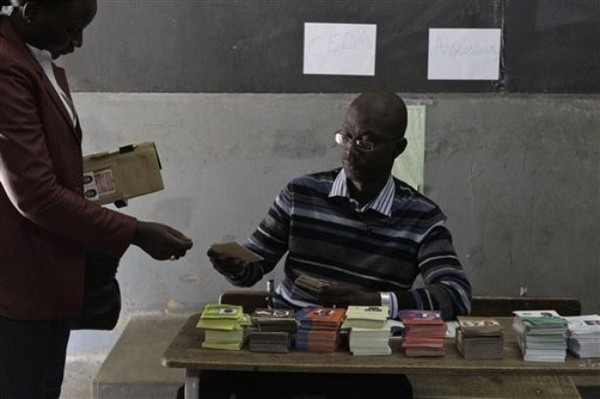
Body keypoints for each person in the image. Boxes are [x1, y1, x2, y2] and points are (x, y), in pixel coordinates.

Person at [204, 90, 471, 398]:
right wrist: (234, 265)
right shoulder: (301, 194)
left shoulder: (421, 217)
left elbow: (456, 294)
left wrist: (373, 300)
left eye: (366, 142)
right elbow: (254, 266)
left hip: (361, 356)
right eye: (346, 136)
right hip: (288, 347)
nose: (351, 150)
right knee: (206, 382)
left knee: (392, 391)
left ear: (397, 149)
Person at [0, 1, 193, 398]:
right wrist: (136, 233)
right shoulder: (7, 68)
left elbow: (38, 165)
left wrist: (95, 183)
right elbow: (35, 195)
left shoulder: (36, 58)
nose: (79, 42)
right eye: (72, 29)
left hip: (44, 271)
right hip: (18, 281)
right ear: (34, 12)